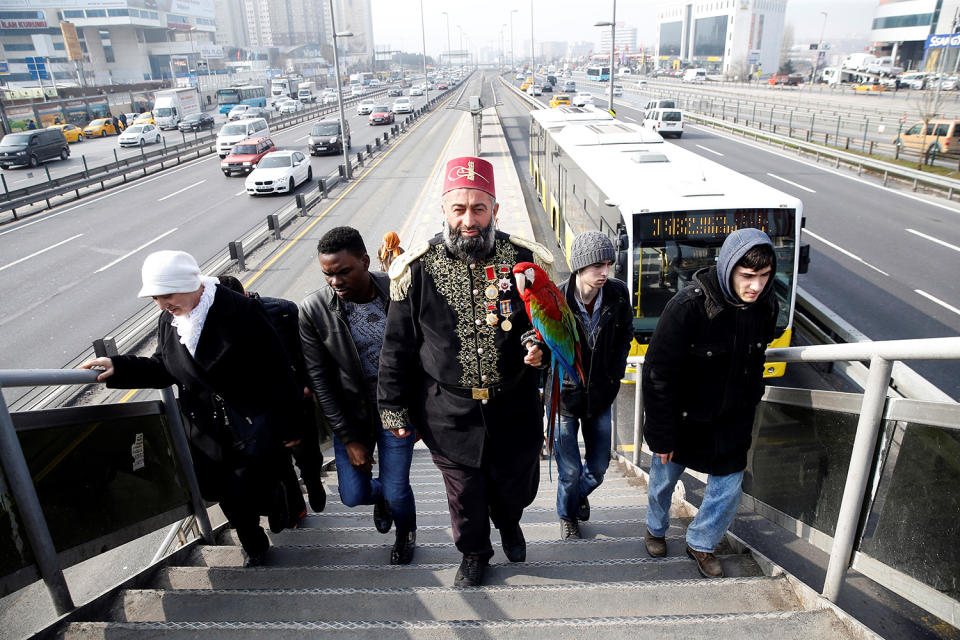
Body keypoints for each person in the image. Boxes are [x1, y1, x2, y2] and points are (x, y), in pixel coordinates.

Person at [378, 156, 553, 587]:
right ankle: (475, 552)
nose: (468, 220)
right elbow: (397, 347)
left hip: (514, 406)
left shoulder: (525, 261)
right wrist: (394, 411)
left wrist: (538, 349)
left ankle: (509, 521)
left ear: (495, 210)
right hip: (448, 413)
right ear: (444, 211)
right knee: (465, 495)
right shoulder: (416, 270)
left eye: (478, 208)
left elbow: (544, 326)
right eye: (459, 209)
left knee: (517, 487)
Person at [79, 251, 306, 567]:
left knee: (254, 487)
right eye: (156, 299)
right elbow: (163, 367)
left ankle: (278, 504)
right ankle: (253, 541)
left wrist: (292, 427)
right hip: (205, 432)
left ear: (190, 284)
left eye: (167, 296)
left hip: (249, 424)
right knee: (230, 497)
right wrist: (118, 367)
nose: (162, 305)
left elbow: (278, 371)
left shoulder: (240, 310)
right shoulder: (169, 320)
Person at [642, 228, 779, 578]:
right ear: (728, 267)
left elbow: (757, 358)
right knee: (662, 481)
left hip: (732, 419)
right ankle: (655, 528)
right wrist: (661, 434)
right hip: (683, 420)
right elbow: (658, 374)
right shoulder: (688, 306)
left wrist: (753, 396)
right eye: (747, 276)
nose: (756, 286)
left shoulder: (766, 306)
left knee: (727, 489)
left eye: (764, 277)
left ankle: (701, 543)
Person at [299, 227, 418, 565]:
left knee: (398, 490)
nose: (335, 281)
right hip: (351, 416)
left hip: (396, 412)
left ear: (365, 262)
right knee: (352, 495)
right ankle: (383, 499)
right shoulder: (313, 310)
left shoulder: (396, 290)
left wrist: (420, 414)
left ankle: (406, 532)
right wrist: (350, 439)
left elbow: (421, 353)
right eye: (327, 274)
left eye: (343, 271)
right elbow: (320, 382)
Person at [216, 275, 326, 514]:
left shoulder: (282, 310)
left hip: (293, 399)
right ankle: (295, 509)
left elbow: (308, 348)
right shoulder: (220, 322)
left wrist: (308, 384)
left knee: (307, 453)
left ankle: (313, 482)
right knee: (278, 462)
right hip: (258, 410)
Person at [554, 231, 634, 540]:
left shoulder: (618, 294)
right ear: (579, 266)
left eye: (608, 265)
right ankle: (567, 515)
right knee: (569, 470)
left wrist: (614, 373)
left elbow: (626, 332)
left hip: (601, 397)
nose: (604, 272)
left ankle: (577, 496)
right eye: (597, 266)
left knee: (598, 467)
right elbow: (535, 335)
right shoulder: (557, 298)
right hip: (564, 400)